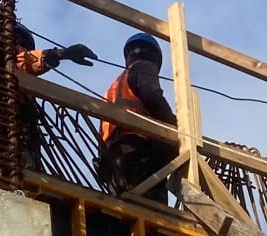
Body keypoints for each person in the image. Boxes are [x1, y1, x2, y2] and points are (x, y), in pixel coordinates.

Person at [97, 31, 180, 203]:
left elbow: (102, 132)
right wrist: (175, 126)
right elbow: (151, 95)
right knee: (155, 212)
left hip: (115, 159)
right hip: (137, 150)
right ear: (155, 58)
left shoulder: (114, 87)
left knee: (126, 213)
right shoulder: (143, 67)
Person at [14, 22, 95, 173]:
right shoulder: (5, 62)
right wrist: (63, 54)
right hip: (10, 135)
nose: (23, 48)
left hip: (24, 136)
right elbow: (26, 61)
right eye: (20, 42)